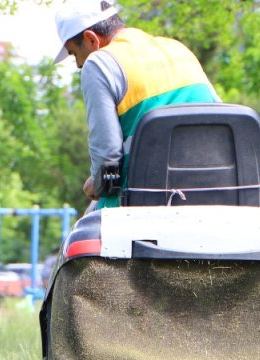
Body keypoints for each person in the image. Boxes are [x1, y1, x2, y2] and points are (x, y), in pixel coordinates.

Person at [54, 1, 218, 207]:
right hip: (211, 191)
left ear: (90, 39)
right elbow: (220, 116)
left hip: (145, 198)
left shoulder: (99, 63)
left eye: (74, 54)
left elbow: (108, 159)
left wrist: (95, 183)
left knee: (84, 227)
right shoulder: (178, 49)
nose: (78, 64)